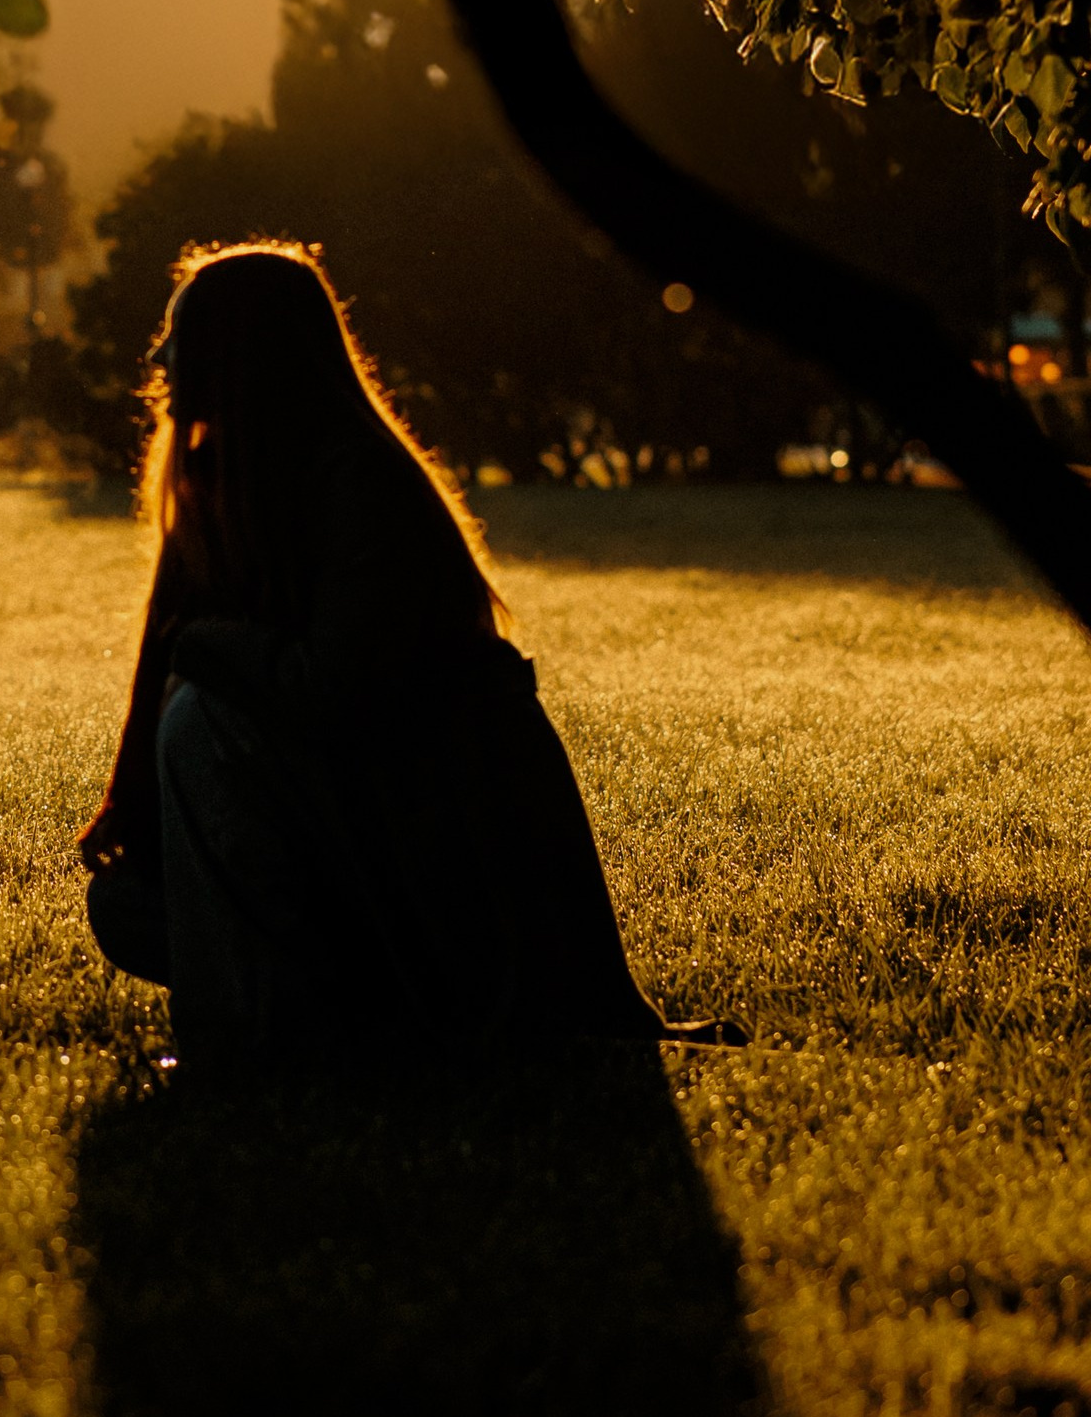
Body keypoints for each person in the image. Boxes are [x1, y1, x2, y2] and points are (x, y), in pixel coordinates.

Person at [81, 241, 740, 1068]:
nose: (159, 358)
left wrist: (202, 650)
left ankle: (263, 1044)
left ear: (240, 352)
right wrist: (130, 802)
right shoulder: (220, 480)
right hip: (343, 818)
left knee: (202, 721)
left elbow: (337, 694)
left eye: (179, 336)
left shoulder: (360, 480)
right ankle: (331, 1014)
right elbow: (170, 637)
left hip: (436, 835)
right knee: (126, 901)